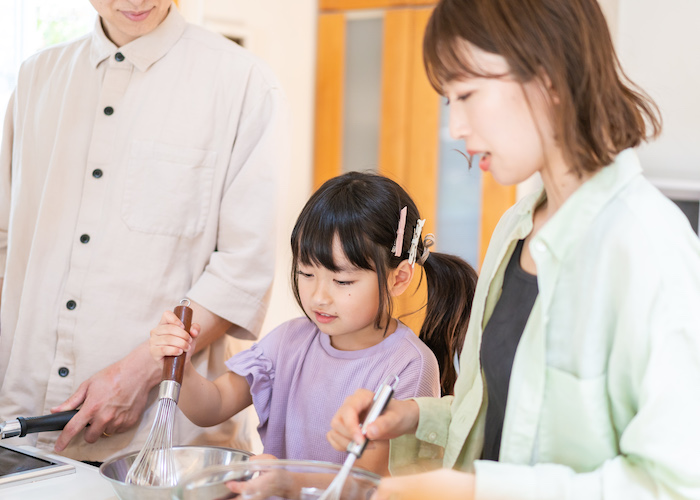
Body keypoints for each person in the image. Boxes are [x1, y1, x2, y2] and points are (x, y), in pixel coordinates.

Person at [327, 0, 700, 498]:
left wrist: (475, 492)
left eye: (467, 94)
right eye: (448, 102)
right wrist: (413, 415)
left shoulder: (647, 248)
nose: (456, 126)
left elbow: (674, 484)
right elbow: (510, 416)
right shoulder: (515, 228)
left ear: (547, 76)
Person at [0, 0, 287, 463]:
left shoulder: (242, 83)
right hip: (24, 432)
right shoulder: (36, 78)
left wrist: (138, 374)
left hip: (168, 445)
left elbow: (243, 271)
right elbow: (7, 246)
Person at [149, 171, 477, 476]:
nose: (319, 296)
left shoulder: (411, 364)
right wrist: (182, 366)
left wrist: (283, 482)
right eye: (306, 274)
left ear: (398, 278)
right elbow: (214, 405)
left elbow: (368, 482)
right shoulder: (289, 340)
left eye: (343, 281)